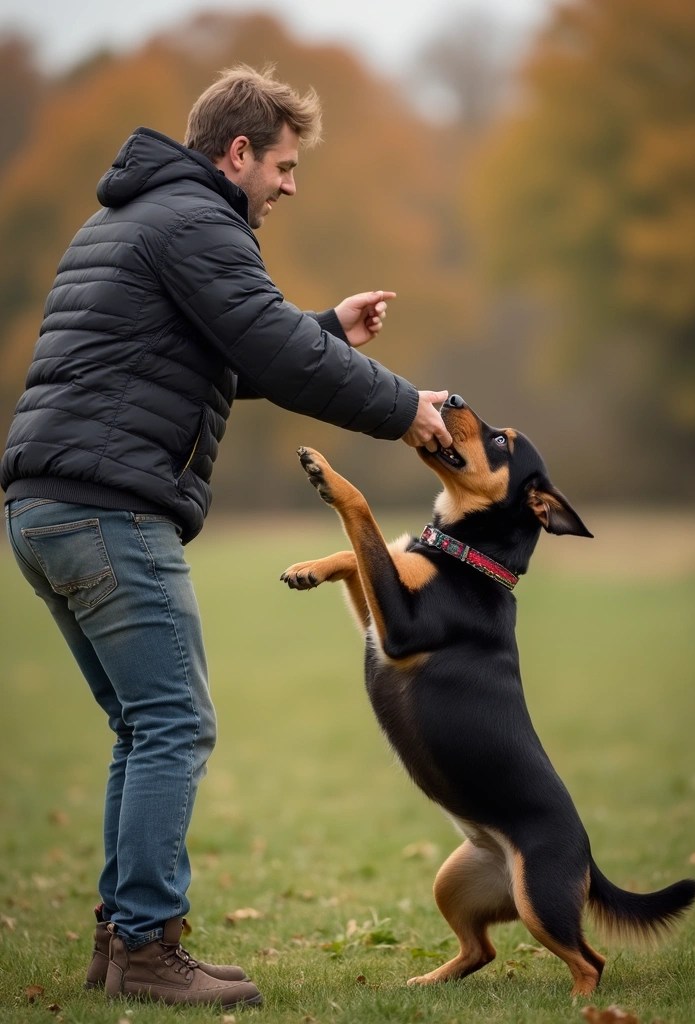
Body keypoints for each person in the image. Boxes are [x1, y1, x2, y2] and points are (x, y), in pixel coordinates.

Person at [1, 63, 452, 1010]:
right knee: (175, 723)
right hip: (106, 510)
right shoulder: (199, 221)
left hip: (45, 508)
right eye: (284, 166)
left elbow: (232, 346)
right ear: (237, 153)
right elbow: (272, 352)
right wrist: (406, 408)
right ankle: (151, 949)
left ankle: (123, 948)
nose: (292, 185)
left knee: (142, 724)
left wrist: (328, 324)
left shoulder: (136, 216)